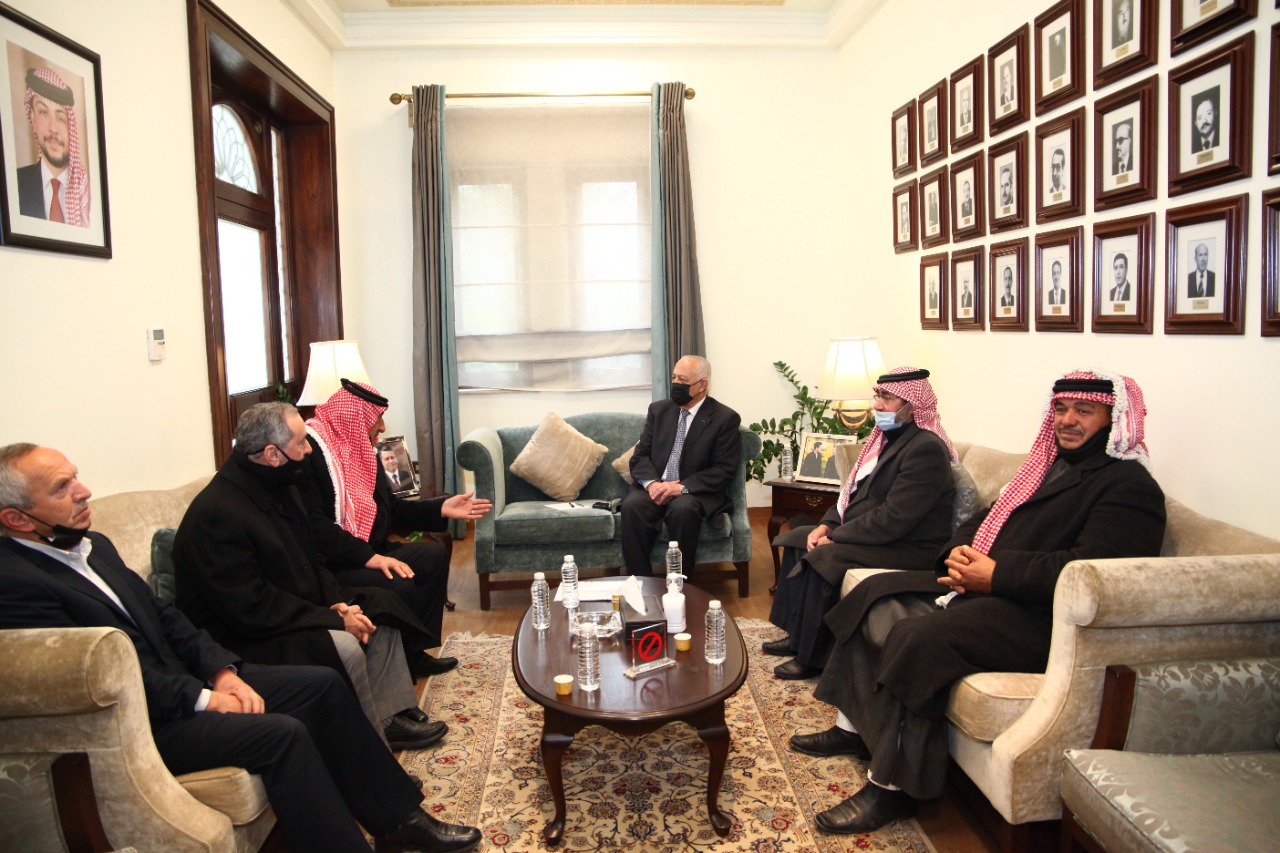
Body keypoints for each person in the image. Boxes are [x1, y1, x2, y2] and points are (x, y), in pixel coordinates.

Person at [0, 444, 482, 853]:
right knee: (283, 734)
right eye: (62, 488)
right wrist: (204, 699)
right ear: (16, 518)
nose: (84, 491)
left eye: (76, 478)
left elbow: (167, 618)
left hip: (192, 679)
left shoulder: (94, 546)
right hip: (145, 721)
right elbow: (100, 676)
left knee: (321, 687)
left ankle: (399, 823)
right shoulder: (16, 585)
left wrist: (222, 671)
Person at [795, 370, 1166, 835]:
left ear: (1115, 420)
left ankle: (891, 789)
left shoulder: (1129, 487)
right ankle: (851, 729)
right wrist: (958, 552)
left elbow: (1093, 576)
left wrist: (996, 574)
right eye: (1061, 409)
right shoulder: (1046, 465)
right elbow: (983, 519)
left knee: (919, 637)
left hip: (1041, 618)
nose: (1068, 420)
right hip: (987, 586)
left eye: (1084, 411)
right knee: (874, 595)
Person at [174, 402, 448, 751]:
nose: (308, 450)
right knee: (345, 645)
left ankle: (390, 716)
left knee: (380, 608)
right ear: (272, 454)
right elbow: (252, 606)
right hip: (247, 634)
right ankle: (370, 745)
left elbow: (310, 558)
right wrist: (332, 619)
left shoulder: (281, 484)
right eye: (301, 442)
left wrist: (337, 602)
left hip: (293, 606)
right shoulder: (217, 513)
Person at [765, 369, 956, 680]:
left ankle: (813, 657)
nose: (877, 405)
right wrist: (826, 526)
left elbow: (894, 519)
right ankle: (796, 634)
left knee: (825, 556)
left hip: (910, 547)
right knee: (800, 537)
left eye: (887, 399)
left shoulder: (926, 449)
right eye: (878, 396)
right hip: (880, 534)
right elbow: (850, 493)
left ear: (912, 407)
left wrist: (838, 538)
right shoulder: (888, 440)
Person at [304, 379, 492, 678]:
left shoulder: (361, 451)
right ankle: (396, 665)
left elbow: (389, 511)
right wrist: (369, 557)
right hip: (334, 563)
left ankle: (414, 654)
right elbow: (315, 527)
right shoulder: (313, 454)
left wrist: (441, 507)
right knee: (400, 580)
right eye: (377, 418)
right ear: (355, 417)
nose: (382, 427)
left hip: (369, 550)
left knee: (432, 557)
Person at [621, 355, 741, 576]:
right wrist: (652, 485)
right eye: (674, 377)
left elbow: (724, 470)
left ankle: (679, 583)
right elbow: (640, 456)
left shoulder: (725, 418)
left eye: (683, 380)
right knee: (632, 506)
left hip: (692, 491)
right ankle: (641, 581)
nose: (676, 384)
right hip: (656, 486)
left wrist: (680, 488)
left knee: (683, 510)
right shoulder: (659, 410)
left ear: (702, 385)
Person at [15, 67, 90, 227]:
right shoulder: (15, 185)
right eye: (43, 113)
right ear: (33, 119)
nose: (53, 128)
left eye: (61, 118)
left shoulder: (86, 196)